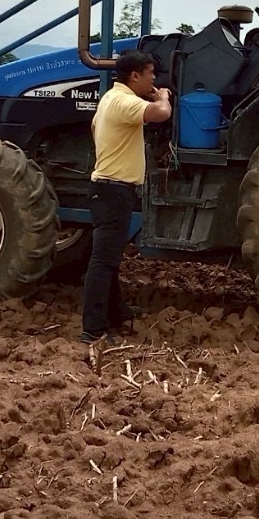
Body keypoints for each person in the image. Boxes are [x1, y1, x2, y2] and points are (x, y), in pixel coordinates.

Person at [81, 49, 171, 345]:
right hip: (113, 190)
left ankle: (115, 312)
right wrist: (163, 97)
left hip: (109, 189)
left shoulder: (110, 98)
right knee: (102, 261)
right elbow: (161, 114)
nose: (154, 80)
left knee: (110, 257)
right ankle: (92, 329)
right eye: (150, 75)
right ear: (135, 75)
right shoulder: (124, 102)